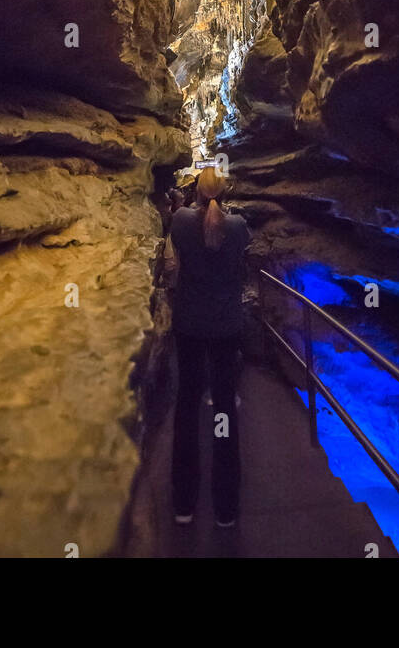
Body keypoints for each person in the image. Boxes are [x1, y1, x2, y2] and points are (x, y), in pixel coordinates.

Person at [164, 164, 250, 528]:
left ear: (197, 191)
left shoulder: (181, 220)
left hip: (190, 324)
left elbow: (179, 257)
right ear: (225, 194)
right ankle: (226, 509)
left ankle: (184, 503)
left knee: (186, 404)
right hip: (226, 325)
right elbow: (241, 263)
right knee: (224, 410)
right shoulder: (238, 225)